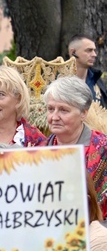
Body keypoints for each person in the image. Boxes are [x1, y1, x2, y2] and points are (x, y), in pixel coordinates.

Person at [44, 75, 107, 217]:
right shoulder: (38, 151)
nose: (54, 117)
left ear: (83, 113)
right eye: (50, 109)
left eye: (63, 110)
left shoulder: (103, 149)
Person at [68, 35, 107, 109]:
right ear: (73, 52)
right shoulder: (59, 81)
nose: (94, 54)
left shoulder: (97, 80)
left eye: (94, 50)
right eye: (89, 50)